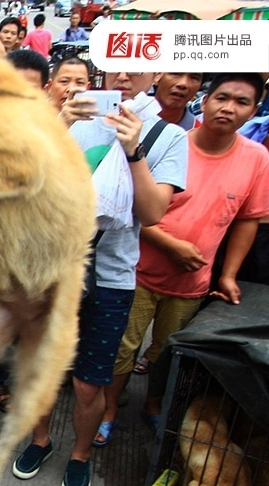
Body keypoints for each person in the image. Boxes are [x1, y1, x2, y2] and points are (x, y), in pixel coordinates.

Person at [14, 70, 189, 486]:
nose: (125, 73)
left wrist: (133, 149)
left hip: (111, 279)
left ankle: (79, 455)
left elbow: (151, 214)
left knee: (90, 382)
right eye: (116, 60)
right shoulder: (69, 119)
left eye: (137, 61)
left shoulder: (167, 135)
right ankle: (39, 441)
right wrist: (59, 126)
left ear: (155, 72)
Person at [102, 72, 269, 435]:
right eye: (222, 97)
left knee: (166, 352)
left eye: (242, 102)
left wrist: (227, 275)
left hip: (193, 282)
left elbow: (248, 220)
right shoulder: (171, 143)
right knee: (121, 348)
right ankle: (109, 408)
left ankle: (154, 403)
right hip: (137, 271)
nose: (229, 108)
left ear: (254, 110)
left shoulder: (256, 158)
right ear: (204, 101)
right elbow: (131, 209)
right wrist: (170, 244)